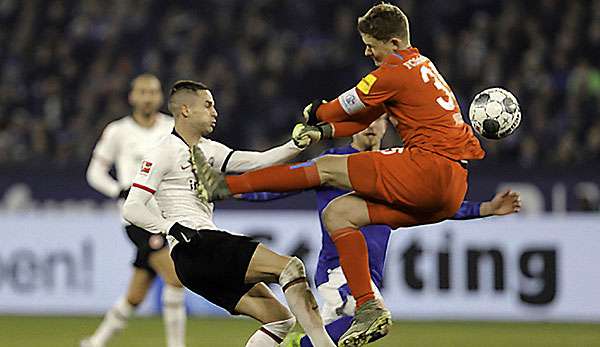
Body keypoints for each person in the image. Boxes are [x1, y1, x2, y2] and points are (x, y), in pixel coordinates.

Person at [190, 3, 487, 346]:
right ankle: (368, 306)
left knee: (325, 169)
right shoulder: (421, 66)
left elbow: (344, 106)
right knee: (339, 214)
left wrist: (315, 113)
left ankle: (225, 185)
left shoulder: (394, 69)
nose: (366, 50)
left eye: (370, 43)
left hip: (429, 166)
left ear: (392, 42)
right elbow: (362, 116)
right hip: (450, 187)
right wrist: (325, 132)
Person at [239, 117, 521, 347]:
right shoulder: (335, 162)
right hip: (338, 270)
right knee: (372, 318)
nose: (371, 126)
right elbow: (282, 184)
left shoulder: (396, 170)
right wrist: (236, 191)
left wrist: (486, 209)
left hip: (368, 271)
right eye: (364, 121)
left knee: (334, 335)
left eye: (379, 120)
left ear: (387, 125)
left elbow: (439, 205)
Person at [122, 80, 336, 347]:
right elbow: (131, 207)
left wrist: (296, 145)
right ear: (186, 110)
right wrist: (170, 227)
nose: (215, 112)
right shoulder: (162, 152)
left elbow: (258, 161)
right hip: (197, 245)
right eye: (208, 105)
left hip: (195, 263)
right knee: (290, 268)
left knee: (280, 320)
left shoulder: (210, 150)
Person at [82, 74, 186, 347]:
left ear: (160, 97)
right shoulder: (118, 131)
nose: (148, 97)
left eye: (152, 92)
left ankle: (96, 342)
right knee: (175, 277)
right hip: (136, 217)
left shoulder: (171, 128)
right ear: (132, 96)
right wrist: (118, 190)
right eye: (142, 92)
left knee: (136, 294)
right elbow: (95, 172)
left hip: (166, 215)